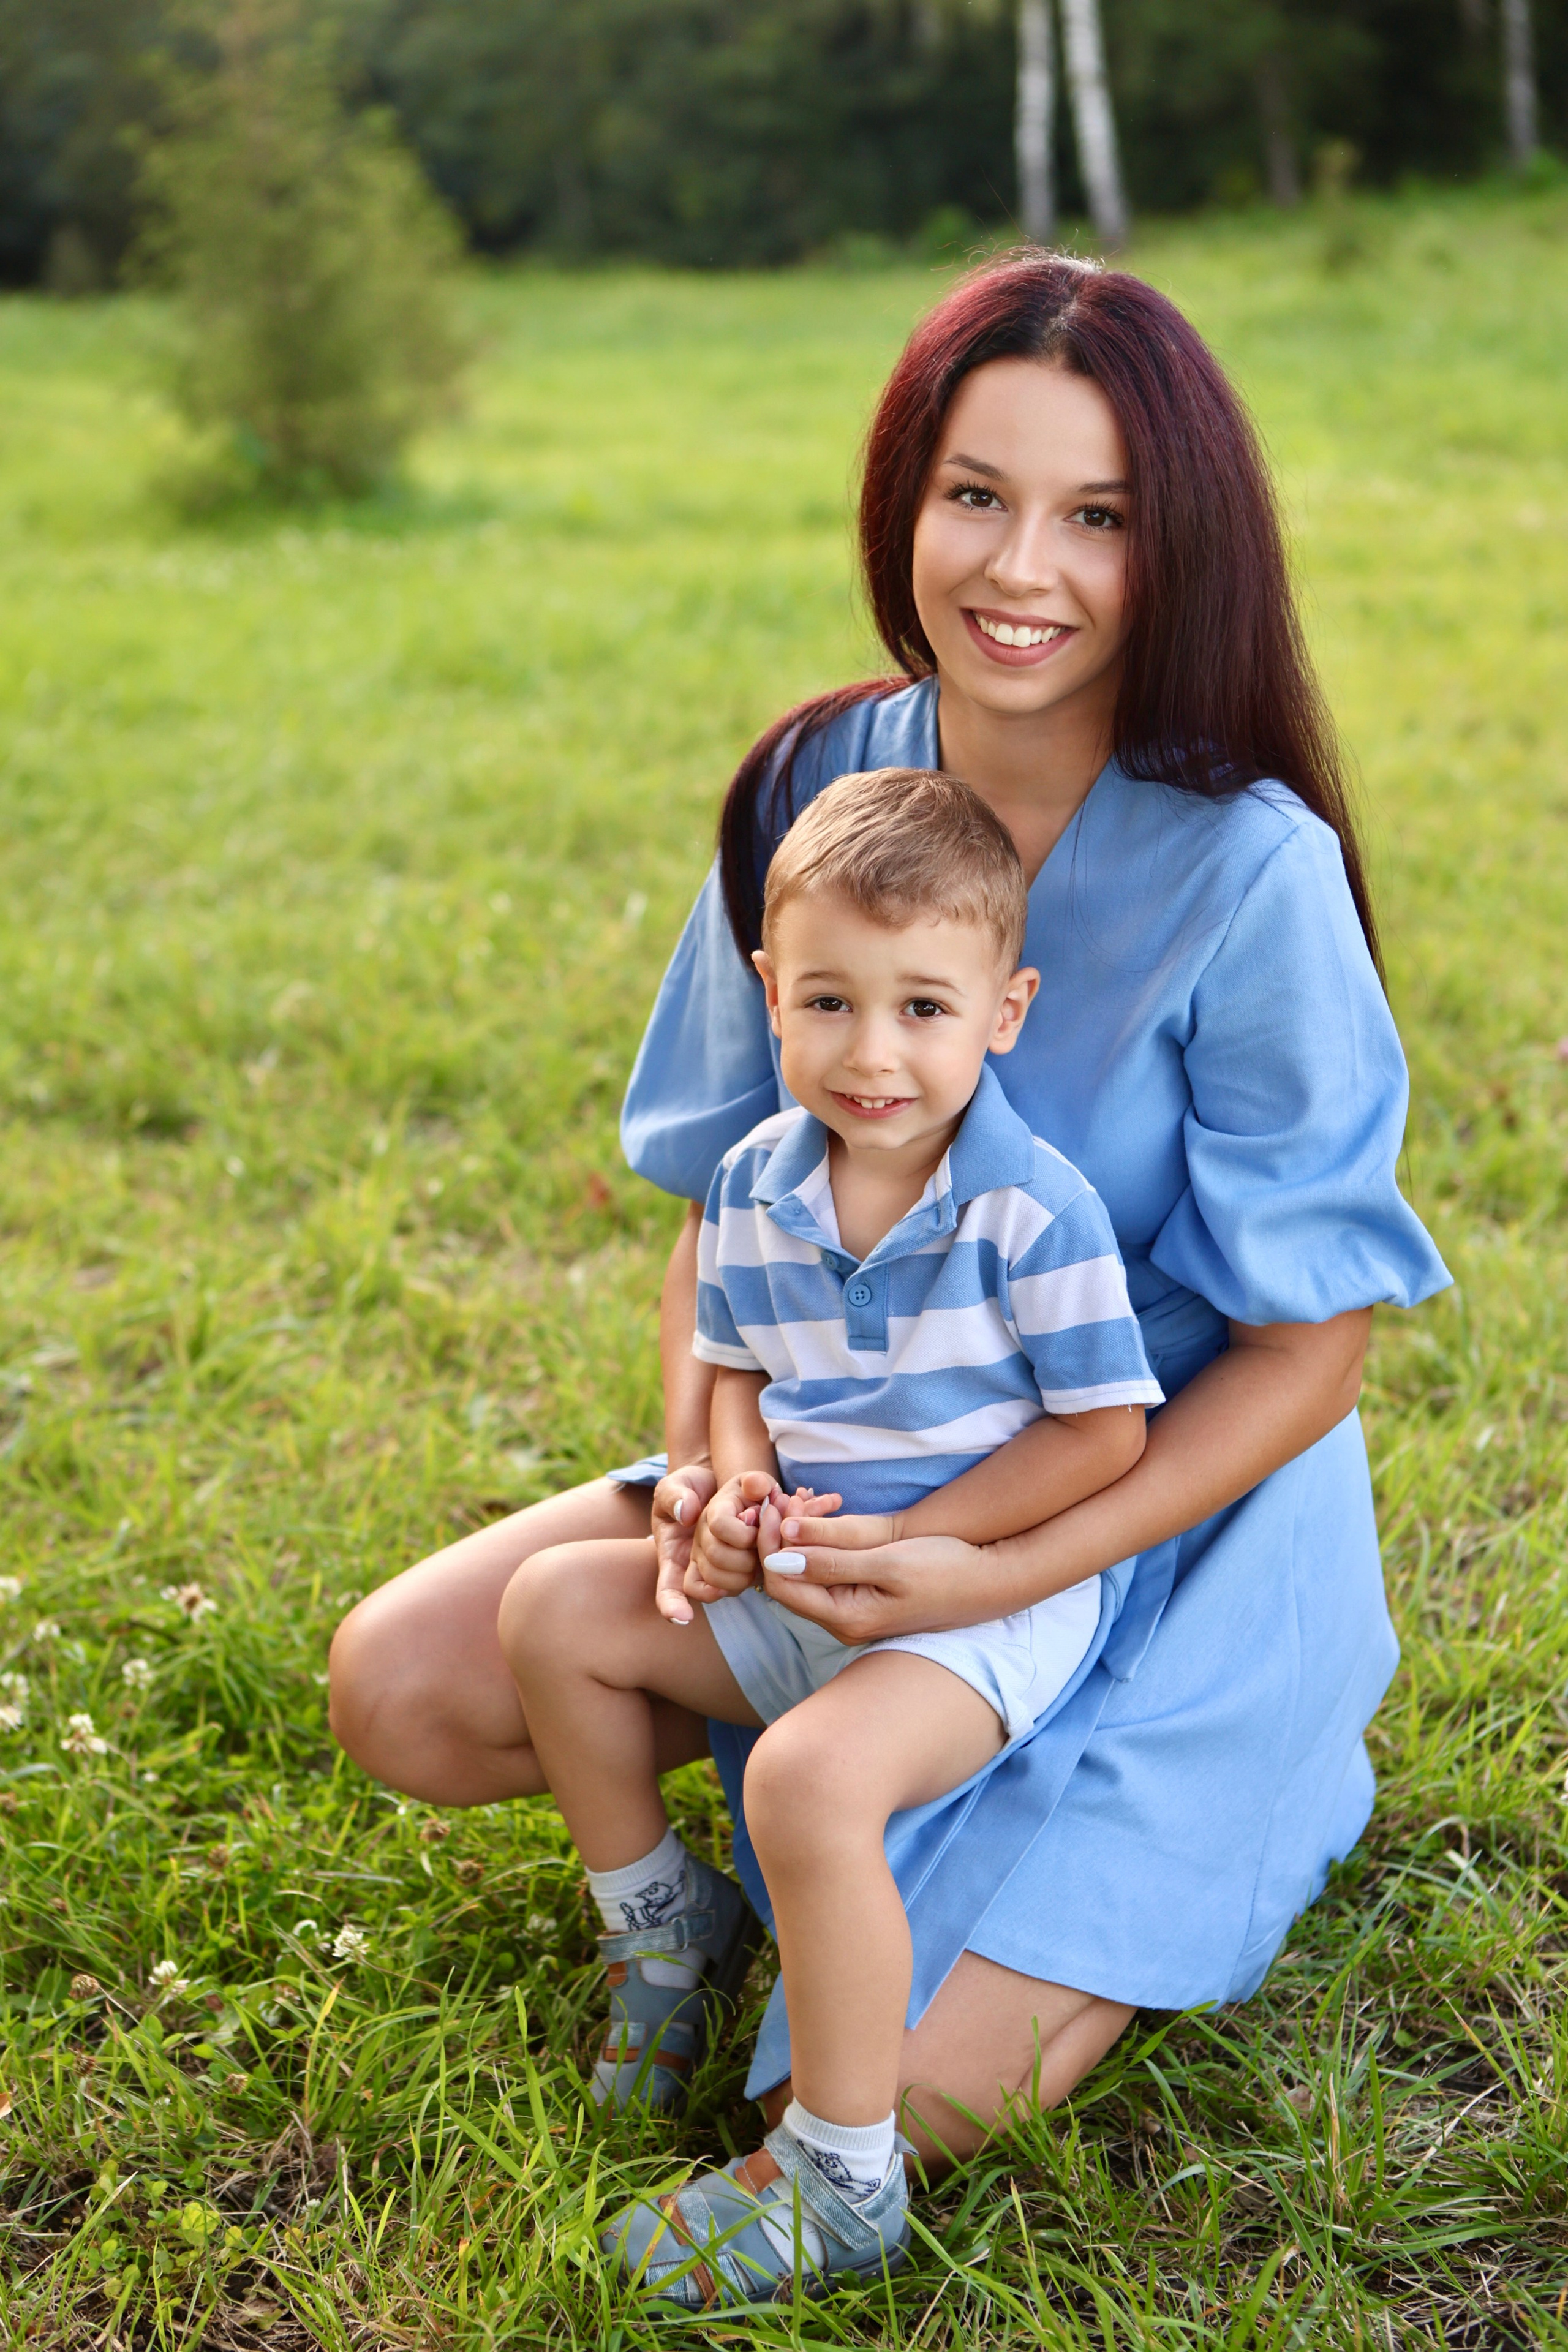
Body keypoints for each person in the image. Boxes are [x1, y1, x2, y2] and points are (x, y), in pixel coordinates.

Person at [327, 249, 1449, 2220]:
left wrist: (979, 1569)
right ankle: (739, 1857)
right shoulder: (811, 790)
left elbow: (1312, 1345)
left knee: (897, 2105)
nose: (1025, 567)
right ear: (904, 502)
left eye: (1098, 515)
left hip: (1154, 1513)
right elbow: (718, 1212)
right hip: (850, 1456)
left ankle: (1214, 1796)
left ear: (1176, 544)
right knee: (405, 1688)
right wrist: (718, 1467)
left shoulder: (1251, 865)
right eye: (978, 495)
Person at [499, 765, 1164, 2299]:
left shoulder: (1029, 1211)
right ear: (769, 994)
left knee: (806, 1777)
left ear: (1004, 1010)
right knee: (550, 1612)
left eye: (923, 1008)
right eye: (829, 1004)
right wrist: (727, 1486)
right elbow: (735, 1374)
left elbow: (1101, 1432)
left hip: (974, 1604)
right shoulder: (752, 1183)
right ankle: (667, 1928)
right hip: (805, 1570)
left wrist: (924, 1547)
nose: (872, 1055)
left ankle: (839, 2176)